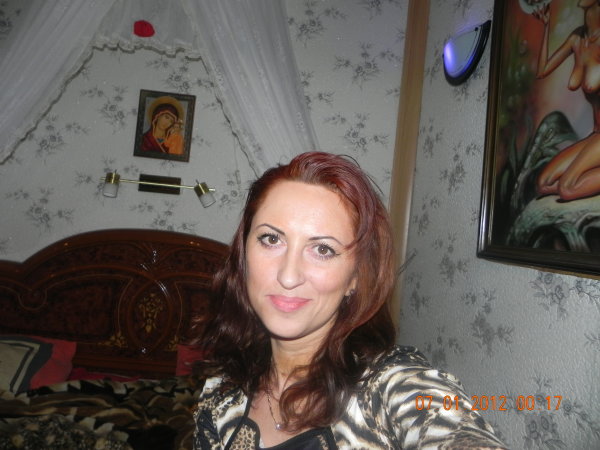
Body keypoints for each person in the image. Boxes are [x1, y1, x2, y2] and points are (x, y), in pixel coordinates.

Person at [192, 152, 507, 449]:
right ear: (244, 253)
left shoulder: (389, 387)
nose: (288, 276)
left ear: (355, 277)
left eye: (323, 249)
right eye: (271, 239)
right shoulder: (221, 392)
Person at [534, 0, 600, 201]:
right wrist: (546, 26)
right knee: (543, 183)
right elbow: (542, 71)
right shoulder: (577, 38)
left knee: (567, 188)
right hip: (595, 135)